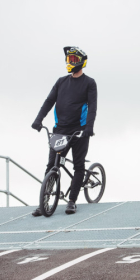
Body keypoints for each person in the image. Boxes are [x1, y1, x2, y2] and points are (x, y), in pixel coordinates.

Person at [31, 46, 97, 215]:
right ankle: (43, 203)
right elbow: (49, 101)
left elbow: (92, 108)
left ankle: (72, 201)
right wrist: (38, 120)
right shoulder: (61, 82)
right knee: (52, 165)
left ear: (82, 62)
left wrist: (89, 128)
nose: (70, 62)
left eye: (74, 60)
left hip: (79, 131)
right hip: (60, 130)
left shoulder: (89, 83)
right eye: (69, 59)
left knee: (78, 165)